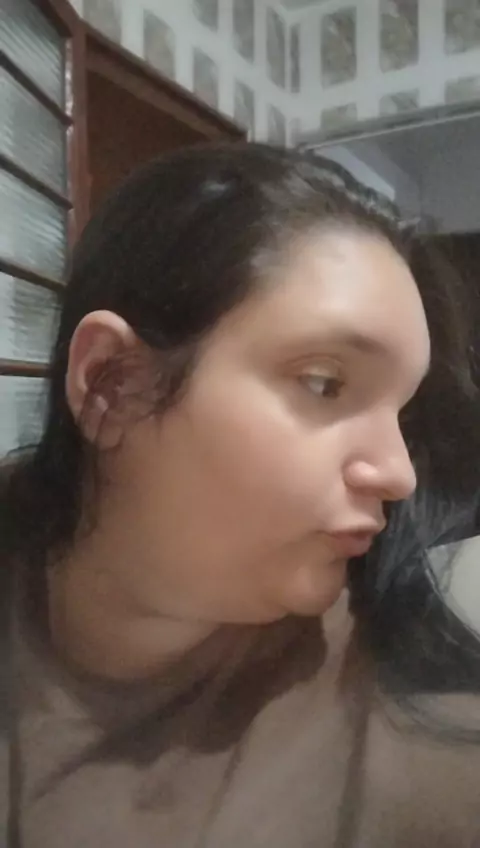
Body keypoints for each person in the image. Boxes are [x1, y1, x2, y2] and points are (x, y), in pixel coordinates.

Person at [1, 143, 480, 848]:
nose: (398, 473)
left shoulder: (428, 760)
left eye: (401, 416)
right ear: (113, 383)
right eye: (325, 384)